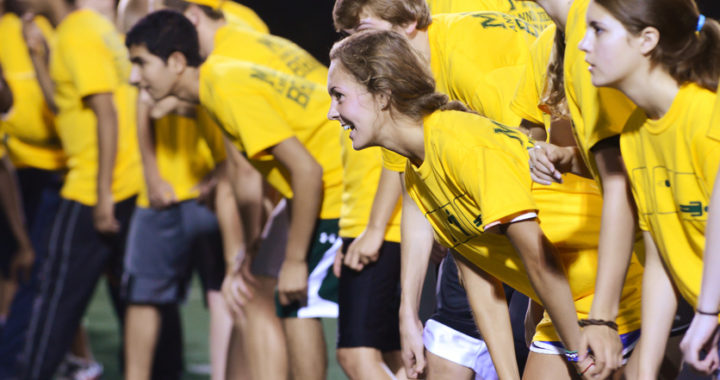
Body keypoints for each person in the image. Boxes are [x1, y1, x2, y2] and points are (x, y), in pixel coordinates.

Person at [326, 29, 646, 379]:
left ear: (382, 95)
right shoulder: (418, 168)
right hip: (571, 302)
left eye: (339, 96)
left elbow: (540, 259)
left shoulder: (460, 143)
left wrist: (578, 354)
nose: (331, 112)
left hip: (617, 286)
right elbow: (478, 276)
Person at [126, 10, 344, 380]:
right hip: (335, 178)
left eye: (140, 63)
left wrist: (290, 259)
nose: (133, 77)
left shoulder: (223, 86)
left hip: (346, 185)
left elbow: (305, 170)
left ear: (177, 61)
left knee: (301, 309)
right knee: (268, 293)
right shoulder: (223, 73)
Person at [577, 0, 720, 378]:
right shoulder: (634, 136)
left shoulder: (710, 115)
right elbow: (661, 258)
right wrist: (646, 370)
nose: (582, 45)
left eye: (598, 30)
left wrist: (706, 314)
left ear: (647, 40)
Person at [15, 0, 144, 377]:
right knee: (130, 294)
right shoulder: (87, 29)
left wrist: (103, 194)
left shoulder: (77, 35)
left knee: (51, 296)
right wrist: (36, 56)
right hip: (120, 182)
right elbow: (64, 104)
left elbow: (106, 113)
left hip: (93, 185)